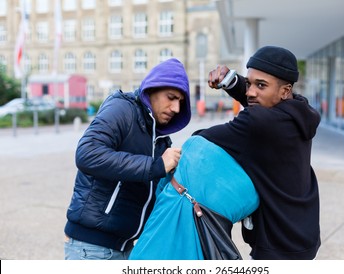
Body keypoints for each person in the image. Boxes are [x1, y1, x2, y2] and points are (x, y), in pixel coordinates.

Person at [200, 46, 321, 259]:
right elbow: (263, 102)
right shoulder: (300, 110)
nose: (250, 92)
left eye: (260, 85)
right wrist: (231, 80)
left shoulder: (259, 123)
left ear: (285, 91)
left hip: (276, 245)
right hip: (303, 235)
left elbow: (200, 140)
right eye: (249, 83)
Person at [64, 58, 192, 260]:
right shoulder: (123, 109)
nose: (176, 108)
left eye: (181, 102)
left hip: (126, 250)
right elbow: (87, 153)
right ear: (152, 89)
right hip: (91, 249)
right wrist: (156, 165)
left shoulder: (160, 139)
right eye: (171, 97)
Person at [129, 135, 260, 260]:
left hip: (152, 246)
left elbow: (160, 192)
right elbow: (250, 230)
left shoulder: (195, 145)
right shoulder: (254, 195)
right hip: (202, 252)